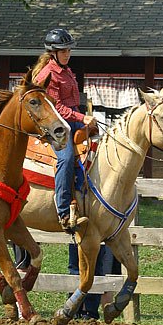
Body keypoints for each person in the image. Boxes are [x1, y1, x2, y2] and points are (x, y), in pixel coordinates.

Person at [32, 28, 97, 232]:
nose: (67, 54)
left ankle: (84, 192)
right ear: (53, 53)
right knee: (66, 158)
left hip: (71, 119)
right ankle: (62, 209)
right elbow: (56, 107)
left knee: (97, 146)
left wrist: (84, 119)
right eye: (63, 51)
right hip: (56, 124)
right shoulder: (48, 74)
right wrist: (82, 117)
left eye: (69, 50)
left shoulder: (67, 70)